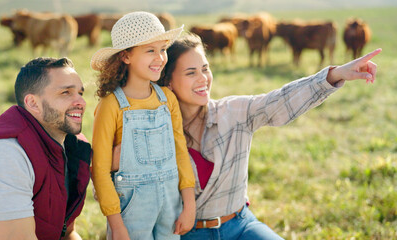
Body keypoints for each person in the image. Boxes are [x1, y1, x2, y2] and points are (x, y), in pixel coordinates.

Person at [156, 33, 381, 239]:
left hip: (240, 225)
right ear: (168, 82)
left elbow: (281, 100)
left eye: (205, 68)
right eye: (191, 72)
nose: (203, 78)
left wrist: (336, 74)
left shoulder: (233, 111)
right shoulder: (156, 131)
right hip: (188, 234)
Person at [0, 57, 92, 240]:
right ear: (33, 103)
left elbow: (67, 233)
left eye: (80, 93)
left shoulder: (69, 148)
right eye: (66, 93)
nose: (81, 103)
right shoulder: (5, 156)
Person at [90, 12, 196, 240]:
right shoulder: (111, 106)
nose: (160, 58)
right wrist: (116, 225)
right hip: (131, 211)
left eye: (163, 49)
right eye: (150, 50)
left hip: (171, 205)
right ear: (126, 56)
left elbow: (180, 152)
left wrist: (189, 204)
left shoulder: (167, 98)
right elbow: (99, 170)